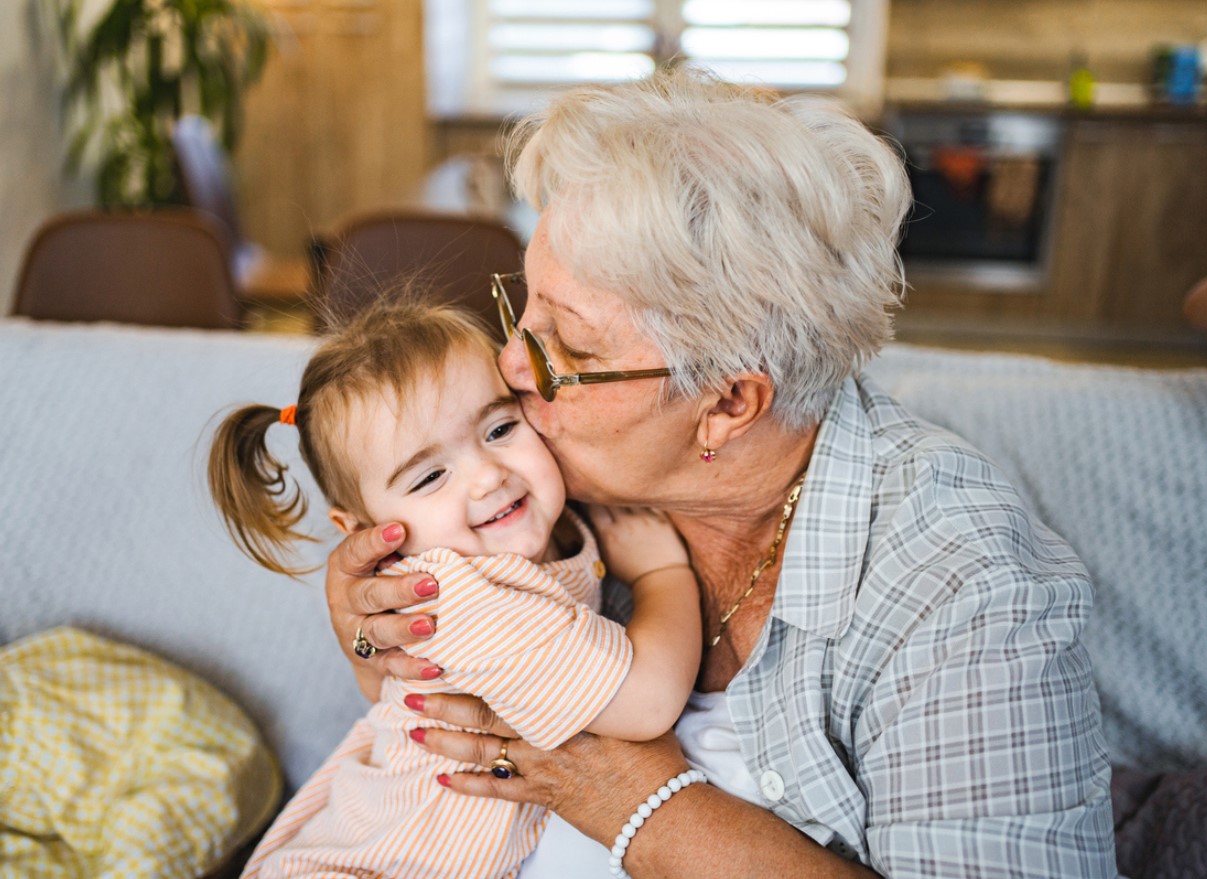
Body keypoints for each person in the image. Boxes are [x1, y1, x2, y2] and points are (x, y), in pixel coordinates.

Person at [322, 67, 1118, 878]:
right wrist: (375, 628)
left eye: (571, 346)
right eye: (522, 307)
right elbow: (431, 718)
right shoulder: (530, 481)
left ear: (728, 404)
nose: (509, 362)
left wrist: (639, 799)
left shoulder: (964, 587)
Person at [206, 299, 701, 878]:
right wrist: (663, 574)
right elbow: (646, 704)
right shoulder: (458, 594)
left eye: (499, 428)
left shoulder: (554, 528)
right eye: (430, 476)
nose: (488, 475)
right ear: (365, 532)